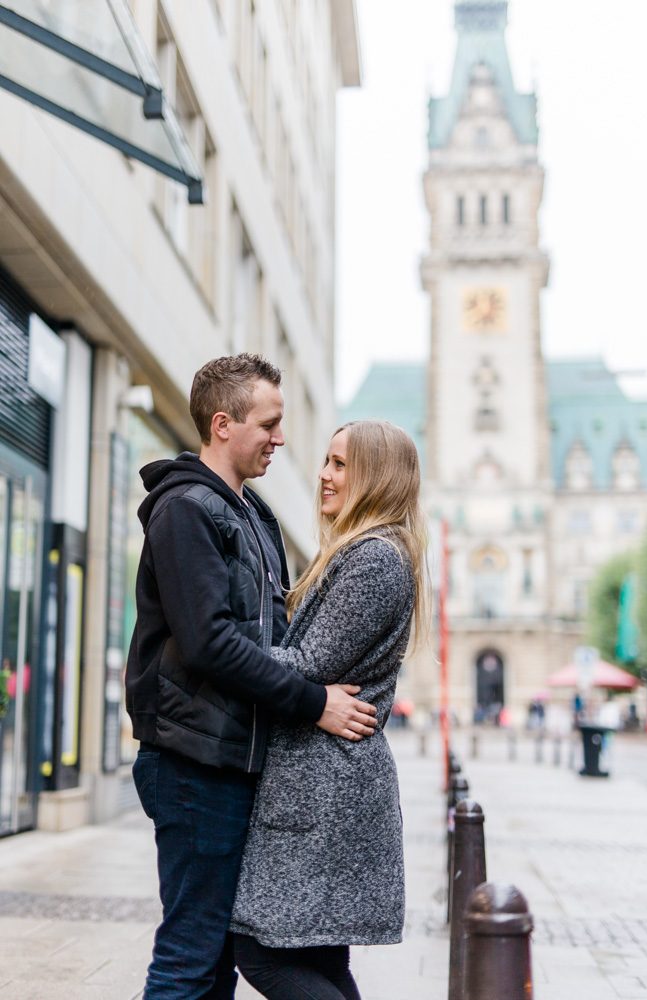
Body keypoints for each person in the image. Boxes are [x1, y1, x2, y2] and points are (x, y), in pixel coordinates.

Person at [126, 354, 378, 1000]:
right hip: (193, 765)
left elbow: (276, 637)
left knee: (216, 960)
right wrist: (313, 702)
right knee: (190, 953)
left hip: (234, 763)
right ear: (222, 425)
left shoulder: (254, 516)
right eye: (268, 424)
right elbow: (209, 644)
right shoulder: (186, 510)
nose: (281, 439)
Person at [230, 419, 429, 1000]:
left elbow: (309, 663)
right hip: (324, 779)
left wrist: (218, 645)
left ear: (377, 476)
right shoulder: (366, 552)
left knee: (262, 954)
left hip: (327, 784)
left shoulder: (374, 559)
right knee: (319, 958)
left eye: (340, 464)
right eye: (326, 460)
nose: (324, 474)